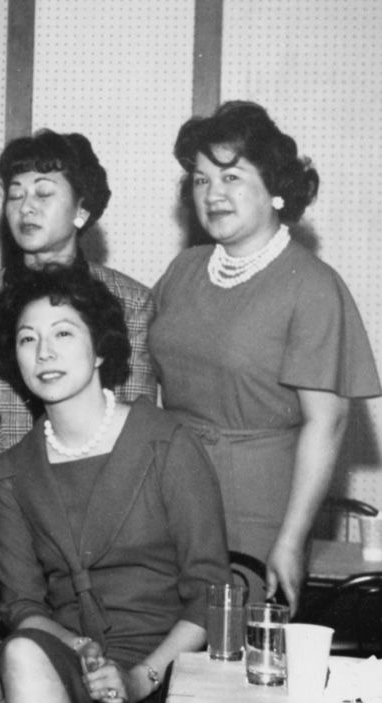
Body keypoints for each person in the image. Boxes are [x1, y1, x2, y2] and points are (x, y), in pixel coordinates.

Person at [0, 129, 156, 703]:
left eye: (44, 192)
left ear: (82, 209)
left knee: (84, 664)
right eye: (15, 192)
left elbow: (136, 422)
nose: (25, 206)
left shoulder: (130, 302)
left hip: (88, 517)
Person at [149, 101, 380, 614]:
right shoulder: (183, 271)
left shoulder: (314, 287)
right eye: (201, 180)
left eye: (231, 176)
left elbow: (329, 423)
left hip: (258, 507)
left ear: (276, 187)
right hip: (172, 494)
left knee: (234, 665)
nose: (213, 194)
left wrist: (292, 539)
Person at [0, 268, 228, 703]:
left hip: (166, 667)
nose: (44, 353)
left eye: (62, 334)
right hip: (66, 661)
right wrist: (76, 645)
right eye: (27, 339)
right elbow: (22, 607)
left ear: (99, 349)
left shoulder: (166, 445)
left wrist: (139, 679)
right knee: (21, 652)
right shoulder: (12, 471)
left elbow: (208, 599)